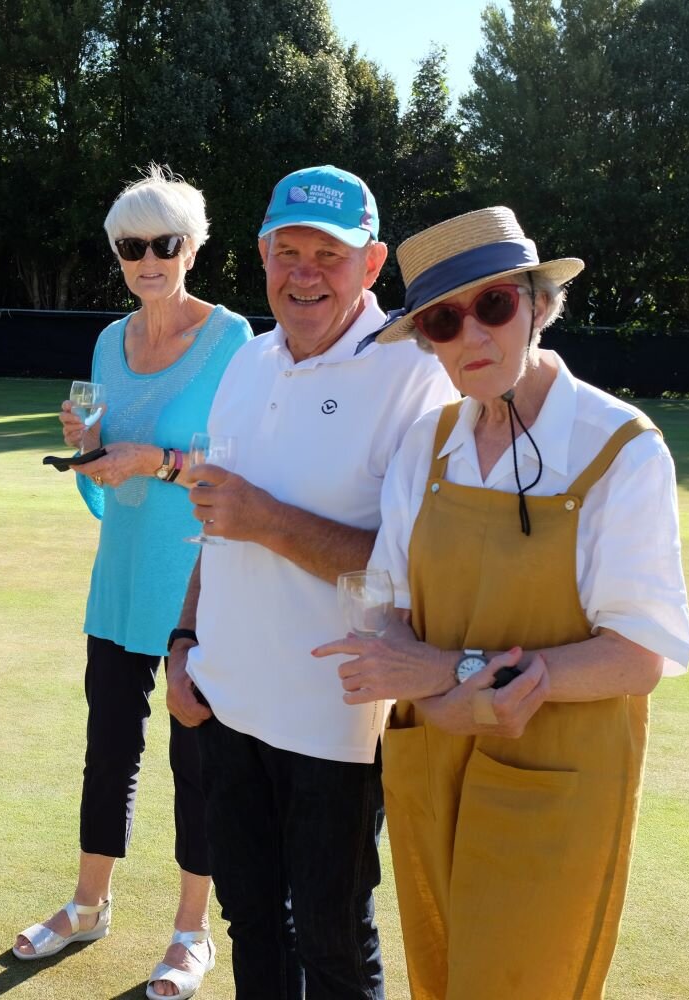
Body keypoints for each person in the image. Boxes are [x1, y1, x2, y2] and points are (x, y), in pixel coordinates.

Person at [311, 207, 689, 999]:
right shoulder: (426, 441)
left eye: (494, 306)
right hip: (432, 762)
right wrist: (405, 668)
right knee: (439, 977)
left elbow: (639, 655)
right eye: (446, 321)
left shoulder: (621, 449)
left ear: (536, 305)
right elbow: (388, 594)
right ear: (424, 339)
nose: (473, 336)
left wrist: (451, 678)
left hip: (557, 782)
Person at [164, 165, 456, 997]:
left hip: (335, 724)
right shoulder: (249, 362)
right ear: (261, 257)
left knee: (330, 941)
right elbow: (217, 521)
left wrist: (271, 522)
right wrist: (183, 642)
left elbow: (412, 572)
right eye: (286, 251)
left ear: (372, 266)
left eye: (328, 255)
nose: (303, 273)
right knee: (251, 922)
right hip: (224, 705)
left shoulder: (416, 376)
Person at [11, 166, 250, 1000]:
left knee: (198, 759)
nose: (148, 260)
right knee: (107, 748)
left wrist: (159, 461)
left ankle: (191, 932)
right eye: (130, 247)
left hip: (198, 584)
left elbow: (246, 472)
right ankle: (88, 905)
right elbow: (101, 476)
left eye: (164, 244)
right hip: (120, 576)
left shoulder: (235, 341)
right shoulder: (109, 343)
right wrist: (89, 441)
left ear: (194, 248)